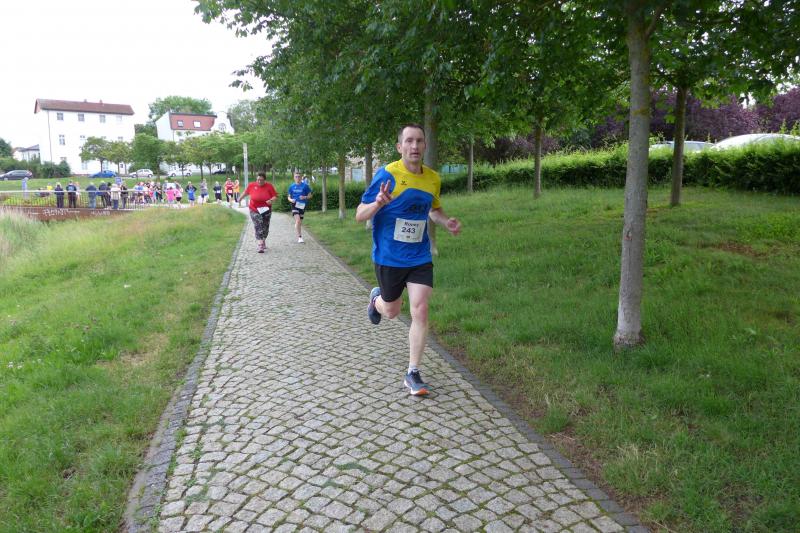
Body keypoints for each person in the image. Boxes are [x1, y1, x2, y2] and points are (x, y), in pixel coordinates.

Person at [355, 123, 462, 396]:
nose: (415, 146)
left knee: (421, 308)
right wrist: (378, 203)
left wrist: (446, 222)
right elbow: (359, 214)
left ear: (425, 145)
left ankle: (413, 372)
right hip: (389, 256)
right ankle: (376, 301)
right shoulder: (387, 174)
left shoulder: (433, 178)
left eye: (419, 141)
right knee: (391, 311)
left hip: (419, 256)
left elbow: (433, 210)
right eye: (409, 141)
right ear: (399, 146)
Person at [238, 172, 278, 253]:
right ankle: (260, 245)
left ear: (265, 180)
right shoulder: (251, 185)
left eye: (261, 180)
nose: (259, 181)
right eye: (258, 180)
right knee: (258, 225)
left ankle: (263, 240)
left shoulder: (269, 186)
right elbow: (246, 193)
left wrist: (271, 200)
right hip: (254, 209)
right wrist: (240, 198)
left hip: (266, 209)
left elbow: (275, 196)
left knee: (265, 227)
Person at [287, 171, 313, 243]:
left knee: (299, 222)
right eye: (296, 177)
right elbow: (288, 197)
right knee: (298, 220)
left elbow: (310, 195)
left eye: (299, 177)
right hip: (294, 205)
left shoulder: (305, 186)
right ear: (294, 177)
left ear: (301, 177)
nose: (297, 178)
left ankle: (297, 224)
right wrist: (291, 200)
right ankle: (300, 237)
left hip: (302, 205)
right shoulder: (291, 186)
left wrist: (304, 197)